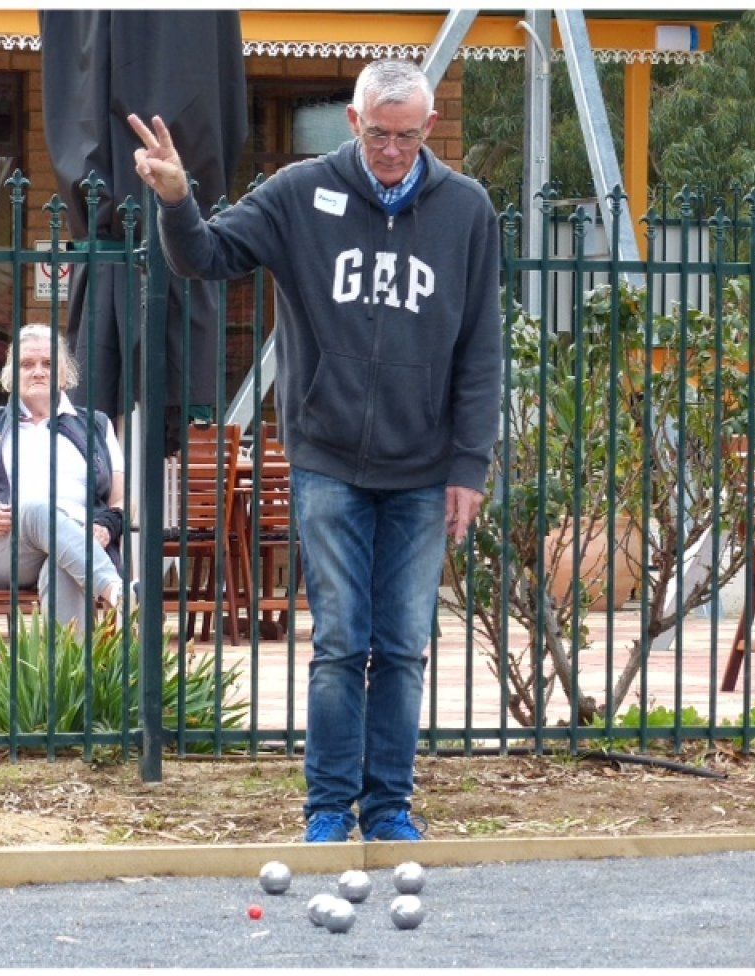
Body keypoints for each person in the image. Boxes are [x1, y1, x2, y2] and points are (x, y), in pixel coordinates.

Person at [129, 59, 501, 842]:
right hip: (329, 458)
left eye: (405, 136)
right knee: (339, 643)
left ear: (429, 129)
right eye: (377, 134)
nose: (391, 151)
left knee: (402, 647)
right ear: (352, 123)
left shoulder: (466, 211)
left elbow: (480, 349)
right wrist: (175, 199)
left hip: (426, 468)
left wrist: (471, 463)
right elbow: (206, 257)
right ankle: (329, 808)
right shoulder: (301, 194)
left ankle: (390, 807)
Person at [0, 324, 127, 630]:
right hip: (6, 549)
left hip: (79, 543)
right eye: (27, 364)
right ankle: (116, 591)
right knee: (37, 508)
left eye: (48, 364)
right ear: (11, 373)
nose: (38, 372)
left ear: (64, 373)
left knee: (63, 562)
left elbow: (122, 500)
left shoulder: (97, 425)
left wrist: (106, 526)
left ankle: (71, 675)